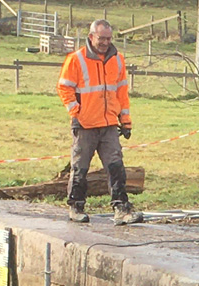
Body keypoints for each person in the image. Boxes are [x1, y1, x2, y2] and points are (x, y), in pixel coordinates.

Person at [57, 19, 141, 225]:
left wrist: (126, 121)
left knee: (116, 166)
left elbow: (121, 92)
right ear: (91, 37)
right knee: (80, 167)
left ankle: (121, 209)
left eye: (108, 38)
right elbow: (64, 88)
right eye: (101, 38)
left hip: (109, 124)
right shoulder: (76, 59)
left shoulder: (118, 60)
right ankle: (75, 207)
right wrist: (76, 111)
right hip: (85, 124)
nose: (105, 42)